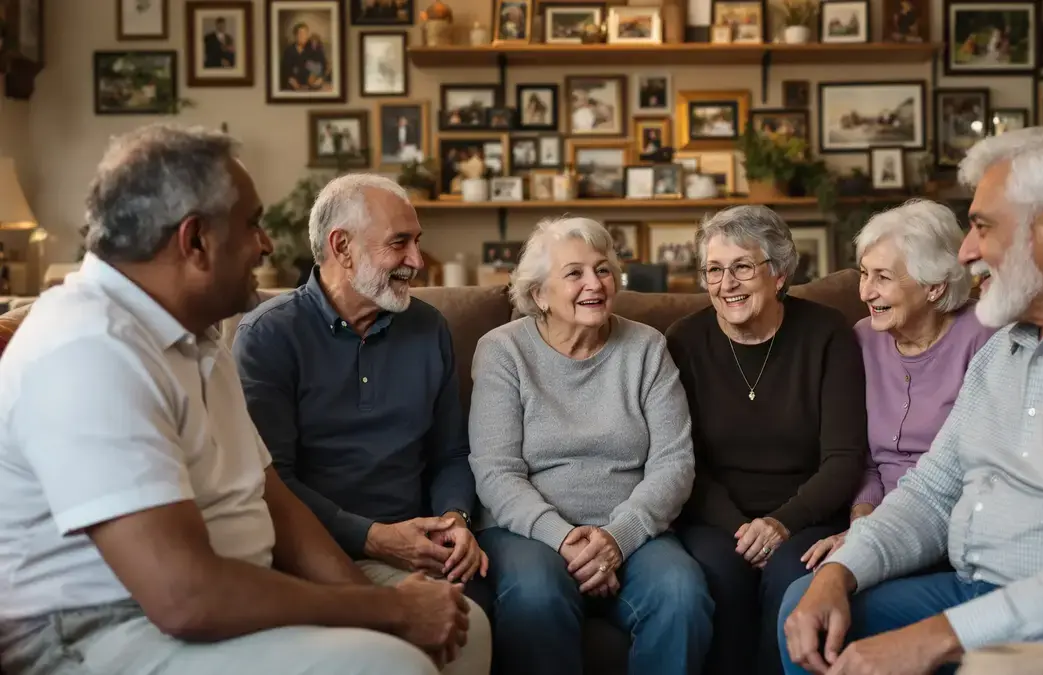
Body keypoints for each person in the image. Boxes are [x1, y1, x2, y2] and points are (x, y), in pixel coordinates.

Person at [0, 124, 467, 675]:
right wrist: (386, 609)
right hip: (96, 628)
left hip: (226, 599)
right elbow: (182, 596)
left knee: (461, 636)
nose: (267, 244)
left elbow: (272, 497)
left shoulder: (196, 337)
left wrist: (390, 613)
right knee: (391, 665)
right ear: (194, 240)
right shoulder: (89, 347)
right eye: (251, 224)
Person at [779, 127, 1043, 675]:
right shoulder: (1005, 344)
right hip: (976, 590)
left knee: (1003, 669)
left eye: (982, 226)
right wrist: (842, 570)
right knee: (807, 605)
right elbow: (931, 492)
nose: (966, 251)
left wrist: (941, 637)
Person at [232, 174, 491, 675]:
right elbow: (272, 482)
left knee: (468, 623)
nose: (417, 261)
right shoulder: (269, 336)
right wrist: (375, 537)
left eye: (417, 242)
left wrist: (455, 519)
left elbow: (451, 454)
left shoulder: (428, 326)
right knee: (461, 630)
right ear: (341, 247)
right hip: (317, 551)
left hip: (421, 546)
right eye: (400, 243)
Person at [468, 216, 713, 675]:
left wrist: (617, 539)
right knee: (536, 598)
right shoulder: (503, 351)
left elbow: (674, 462)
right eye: (574, 273)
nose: (594, 284)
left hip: (631, 529)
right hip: (528, 531)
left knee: (682, 594)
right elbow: (496, 472)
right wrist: (565, 540)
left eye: (602, 269)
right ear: (539, 294)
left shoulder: (646, 348)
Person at [665, 205, 867, 675]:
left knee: (791, 576)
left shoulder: (826, 333)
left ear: (778, 274)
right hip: (717, 518)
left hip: (807, 515)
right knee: (720, 575)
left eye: (741, 267)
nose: (726, 283)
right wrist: (741, 530)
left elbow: (843, 457)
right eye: (713, 270)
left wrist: (780, 523)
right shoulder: (683, 342)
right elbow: (681, 459)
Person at [801, 199, 996, 570]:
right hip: (872, 520)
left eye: (883, 277)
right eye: (863, 274)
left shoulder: (984, 338)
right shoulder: (862, 339)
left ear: (934, 287)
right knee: (798, 582)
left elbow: (980, 467)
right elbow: (863, 458)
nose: (865, 293)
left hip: (947, 522)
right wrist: (862, 525)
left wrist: (878, 538)